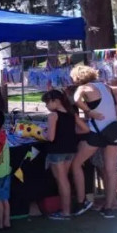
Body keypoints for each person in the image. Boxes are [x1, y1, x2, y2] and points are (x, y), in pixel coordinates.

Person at [70, 66, 117, 219]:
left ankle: (82, 201)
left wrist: (88, 111)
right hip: (114, 131)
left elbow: (76, 99)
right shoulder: (106, 86)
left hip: (97, 131)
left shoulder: (84, 87)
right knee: (111, 170)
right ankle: (110, 206)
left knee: (76, 164)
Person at [42, 90, 89, 220]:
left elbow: (50, 137)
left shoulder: (53, 115)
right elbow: (86, 129)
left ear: (56, 101)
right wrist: (71, 134)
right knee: (64, 179)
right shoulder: (72, 115)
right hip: (70, 150)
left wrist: (40, 134)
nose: (46, 106)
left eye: (47, 102)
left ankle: (65, 212)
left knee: (62, 180)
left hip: (57, 151)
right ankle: (65, 210)